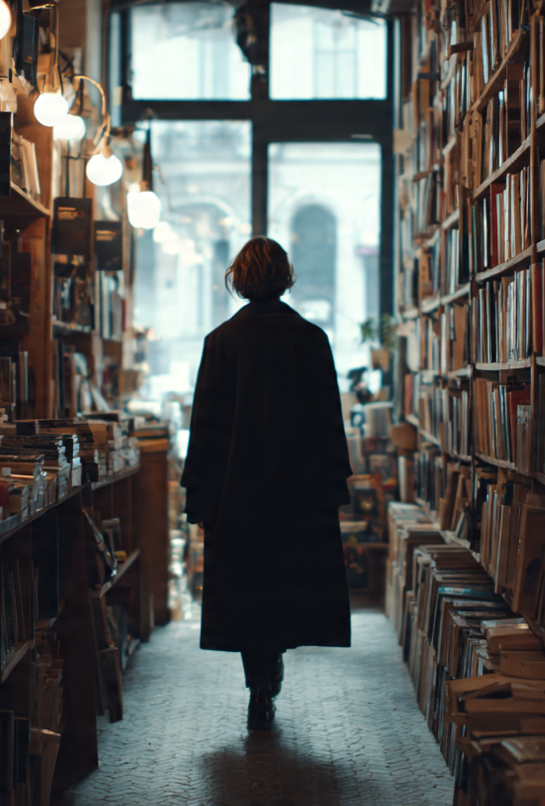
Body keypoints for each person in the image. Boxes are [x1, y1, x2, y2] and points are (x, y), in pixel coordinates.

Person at [180, 237, 353, 731]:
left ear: (238, 279)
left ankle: (258, 683)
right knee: (286, 588)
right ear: (286, 277)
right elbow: (328, 422)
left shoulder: (220, 341)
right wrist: (331, 489)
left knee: (247, 592)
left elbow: (206, 426)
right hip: (297, 495)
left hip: (238, 495)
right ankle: (270, 672)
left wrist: (201, 497)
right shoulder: (311, 338)